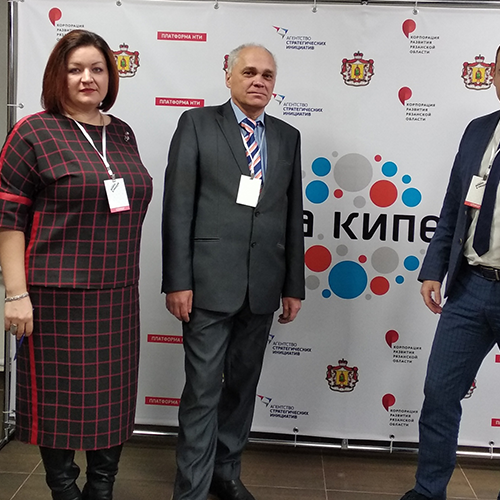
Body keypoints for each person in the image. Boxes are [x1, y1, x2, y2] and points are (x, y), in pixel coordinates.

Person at [0, 30, 152, 500]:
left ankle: (101, 489)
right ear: (58, 76)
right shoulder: (33, 132)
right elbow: (8, 220)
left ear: (110, 76)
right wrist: (15, 294)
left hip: (117, 296)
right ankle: (64, 491)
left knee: (111, 401)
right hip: (55, 299)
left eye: (98, 68)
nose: (88, 77)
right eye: (76, 69)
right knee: (58, 404)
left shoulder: (122, 132)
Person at [161, 43, 305, 500]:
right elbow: (178, 207)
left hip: (262, 287)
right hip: (206, 286)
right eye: (249, 72)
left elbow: (291, 215)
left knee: (242, 389)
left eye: (267, 75)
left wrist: (293, 285)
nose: (259, 81)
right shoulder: (197, 124)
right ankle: (192, 489)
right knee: (203, 392)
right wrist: (177, 281)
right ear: (228, 76)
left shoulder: (287, 136)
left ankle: (225, 474)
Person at [401, 46, 500, 500]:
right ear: (493, 74)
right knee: (440, 395)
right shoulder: (478, 130)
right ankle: (427, 492)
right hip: (470, 286)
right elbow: (454, 205)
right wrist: (434, 268)